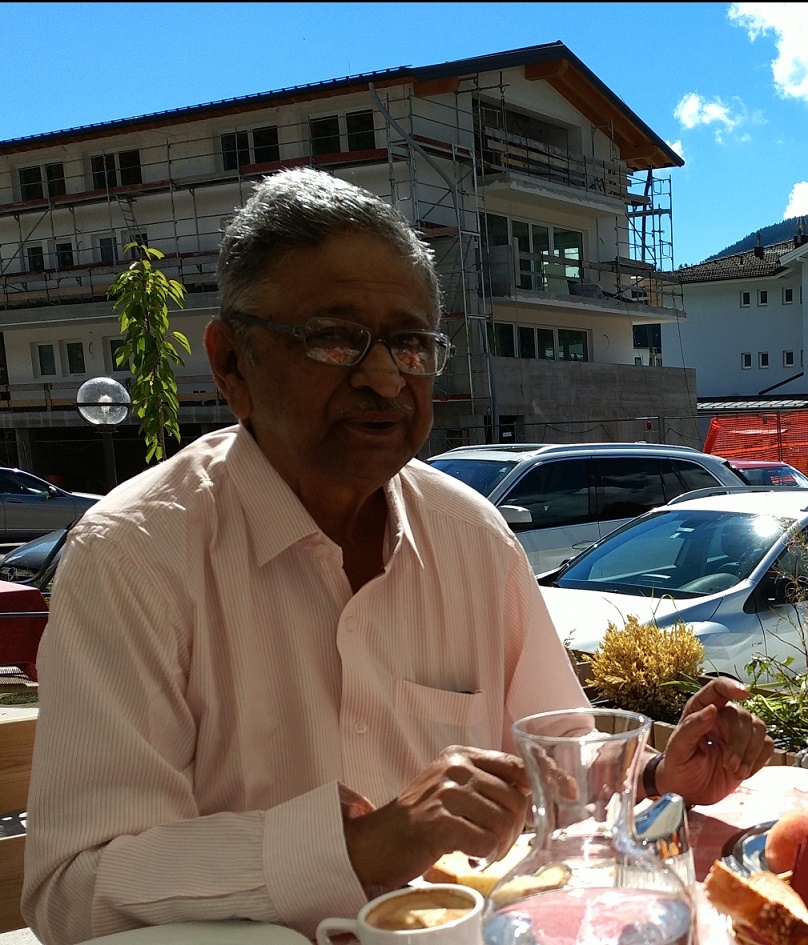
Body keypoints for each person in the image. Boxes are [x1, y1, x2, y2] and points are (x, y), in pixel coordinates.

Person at [22, 168, 773, 945]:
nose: (384, 378)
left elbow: (558, 769)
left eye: (410, 344)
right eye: (334, 337)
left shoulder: (471, 537)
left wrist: (653, 775)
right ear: (232, 363)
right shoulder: (133, 556)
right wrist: (356, 845)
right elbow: (73, 888)